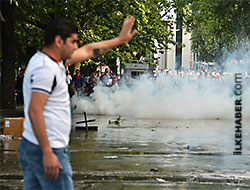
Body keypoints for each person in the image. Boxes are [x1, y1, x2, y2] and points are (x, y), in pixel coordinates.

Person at [18, 16, 136, 190]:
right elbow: (35, 111)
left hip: (34, 146)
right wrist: (48, 152)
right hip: (48, 149)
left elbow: (89, 50)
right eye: (73, 42)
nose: (75, 46)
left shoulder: (51, 61)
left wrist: (119, 40)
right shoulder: (46, 69)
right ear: (59, 41)